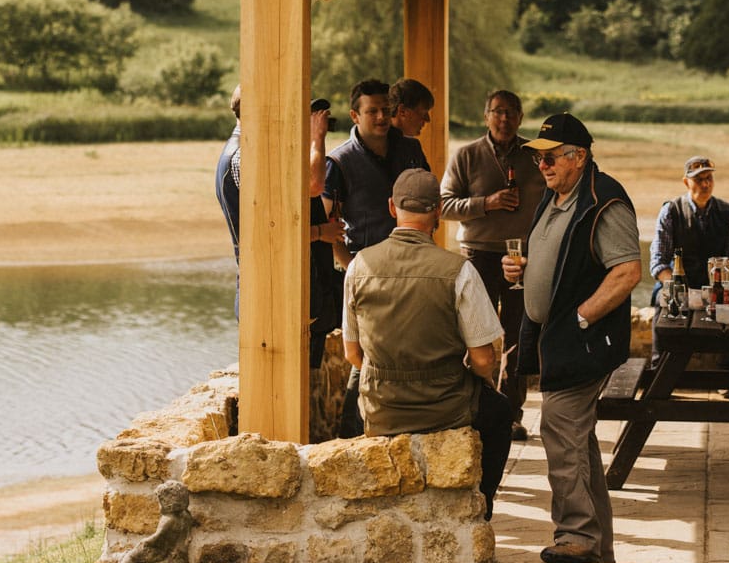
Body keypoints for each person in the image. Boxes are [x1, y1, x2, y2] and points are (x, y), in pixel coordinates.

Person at [503, 112, 642, 563]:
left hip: (582, 340)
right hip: (556, 335)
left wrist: (582, 317)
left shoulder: (606, 202)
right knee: (577, 442)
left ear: (579, 157)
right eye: (538, 158)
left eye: (550, 158)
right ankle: (597, 545)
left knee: (560, 427)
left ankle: (576, 536)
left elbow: (626, 272)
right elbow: (561, 261)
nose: (541, 166)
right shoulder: (556, 196)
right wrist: (527, 273)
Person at [342, 169, 513, 517]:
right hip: (446, 404)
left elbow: (353, 354)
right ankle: (483, 505)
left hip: (382, 406)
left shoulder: (359, 265)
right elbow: (483, 359)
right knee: (500, 412)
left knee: (350, 401)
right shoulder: (459, 270)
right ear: (438, 211)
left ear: (392, 207)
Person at [213, 87, 348, 365]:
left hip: (273, 291)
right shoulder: (245, 157)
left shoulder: (251, 153)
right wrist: (316, 139)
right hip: (273, 294)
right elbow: (279, 226)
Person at [441, 88, 544, 439]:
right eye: (498, 112)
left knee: (519, 337)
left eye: (511, 112)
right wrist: (487, 203)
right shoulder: (467, 155)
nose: (504, 118)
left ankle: (511, 414)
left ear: (520, 118)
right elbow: (444, 206)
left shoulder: (534, 156)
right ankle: (473, 409)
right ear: (486, 116)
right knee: (475, 332)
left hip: (523, 258)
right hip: (478, 254)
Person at [325, 77, 431, 256]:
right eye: (372, 111)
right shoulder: (338, 162)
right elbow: (329, 229)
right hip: (365, 267)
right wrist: (353, 270)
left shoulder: (412, 149)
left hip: (413, 260)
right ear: (354, 116)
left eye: (385, 110)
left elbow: (429, 202)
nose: (381, 117)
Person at [648, 155, 729, 305]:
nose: (705, 184)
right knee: (662, 301)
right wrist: (681, 291)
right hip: (678, 287)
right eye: (698, 180)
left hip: (715, 289)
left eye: (709, 178)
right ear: (686, 182)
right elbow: (658, 264)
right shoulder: (671, 211)